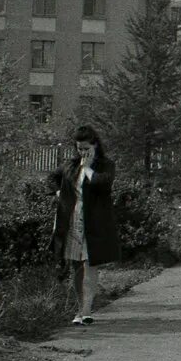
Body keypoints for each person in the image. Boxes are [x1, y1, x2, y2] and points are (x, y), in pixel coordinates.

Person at [50, 125, 120, 326]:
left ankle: (87, 310)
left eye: (86, 149)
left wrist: (88, 167)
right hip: (71, 220)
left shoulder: (106, 165)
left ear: (95, 146)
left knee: (90, 264)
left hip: (94, 222)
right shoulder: (70, 165)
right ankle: (79, 309)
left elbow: (104, 184)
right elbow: (51, 179)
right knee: (77, 266)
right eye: (79, 149)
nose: (82, 153)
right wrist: (57, 192)